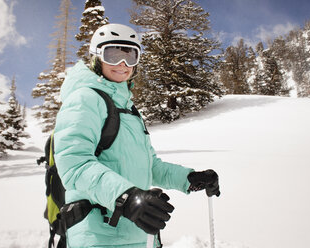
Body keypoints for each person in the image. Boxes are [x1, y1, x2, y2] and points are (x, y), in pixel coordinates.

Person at [53, 23, 220, 248]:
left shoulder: (129, 110)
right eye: (113, 54)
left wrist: (189, 179)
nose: (122, 64)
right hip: (98, 237)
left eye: (130, 56)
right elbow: (75, 165)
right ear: (95, 57)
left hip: (140, 236)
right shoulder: (85, 98)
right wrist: (127, 198)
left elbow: (150, 167)